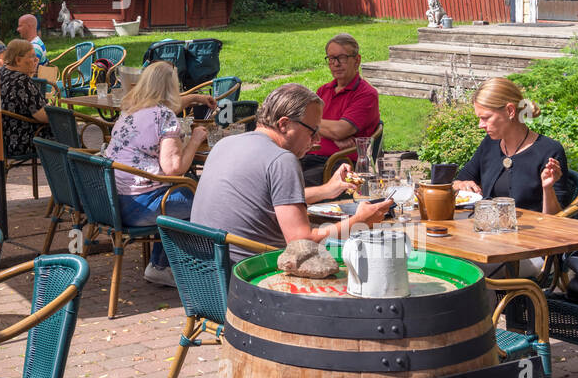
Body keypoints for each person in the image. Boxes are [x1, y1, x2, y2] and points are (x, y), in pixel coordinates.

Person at [192, 83, 393, 262]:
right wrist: (359, 221)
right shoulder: (281, 159)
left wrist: (327, 190)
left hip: (203, 273)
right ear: (284, 124)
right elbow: (301, 243)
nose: (317, 140)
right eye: (312, 131)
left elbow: (265, 199)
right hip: (250, 277)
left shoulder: (225, 144)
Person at [102, 61, 217, 286]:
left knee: (186, 188)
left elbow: (164, 108)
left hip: (110, 202)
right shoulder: (164, 117)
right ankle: (198, 270)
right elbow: (173, 169)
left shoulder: (131, 108)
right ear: (171, 87)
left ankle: (161, 264)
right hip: (138, 206)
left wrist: (195, 98)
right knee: (205, 199)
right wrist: (195, 139)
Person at [453, 77, 572, 214]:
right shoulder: (490, 143)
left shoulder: (549, 151)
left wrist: (547, 189)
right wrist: (461, 185)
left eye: (486, 118)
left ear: (510, 111)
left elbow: (557, 220)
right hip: (488, 230)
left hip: (528, 233)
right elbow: (458, 181)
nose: (480, 125)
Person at [299, 33, 381, 189]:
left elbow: (340, 130)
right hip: (308, 157)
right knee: (267, 177)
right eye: (331, 58)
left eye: (342, 58)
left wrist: (314, 125)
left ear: (357, 60)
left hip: (340, 164)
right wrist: (331, 132)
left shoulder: (366, 94)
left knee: (291, 186)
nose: (336, 64)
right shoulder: (324, 90)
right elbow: (307, 128)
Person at [0, 38, 49, 157]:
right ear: (18, 60)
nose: (36, 60)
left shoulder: (1, 73)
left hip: (1, 139)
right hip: (22, 141)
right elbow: (44, 116)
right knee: (68, 133)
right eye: (31, 56)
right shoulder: (21, 81)